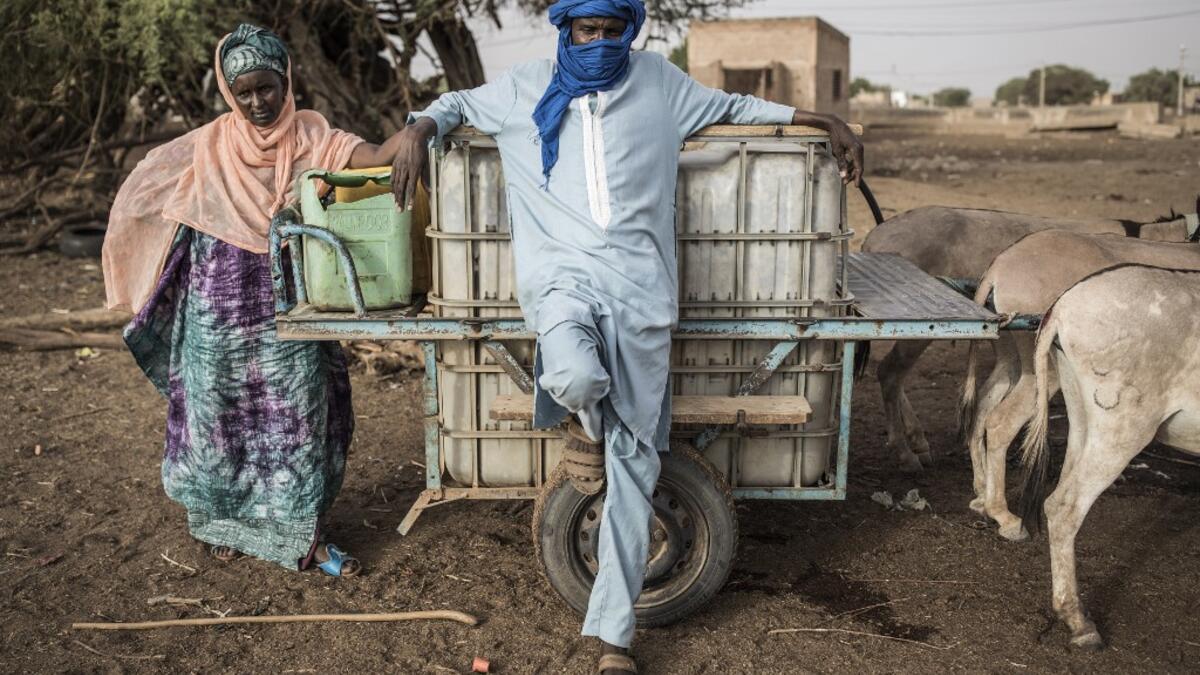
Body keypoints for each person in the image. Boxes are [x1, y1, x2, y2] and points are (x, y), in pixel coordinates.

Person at [391, 1, 864, 671]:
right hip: (561, 291)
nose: (602, 42)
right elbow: (457, 101)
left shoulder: (661, 85)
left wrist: (821, 119)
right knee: (578, 377)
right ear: (567, 29)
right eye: (590, 30)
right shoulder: (524, 89)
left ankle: (614, 636)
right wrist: (419, 127)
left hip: (642, 300)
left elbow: (737, 107)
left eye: (615, 30)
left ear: (630, 30)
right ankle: (587, 416)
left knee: (636, 465)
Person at [102, 24, 412, 577]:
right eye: (243, 93)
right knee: (218, 416)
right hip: (214, 306)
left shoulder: (314, 137)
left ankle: (305, 535)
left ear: (286, 81)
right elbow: (142, 188)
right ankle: (226, 524)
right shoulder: (209, 144)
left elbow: (372, 156)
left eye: (265, 88)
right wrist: (142, 254)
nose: (256, 103)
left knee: (299, 415)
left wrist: (417, 132)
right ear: (228, 92)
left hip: (287, 304)